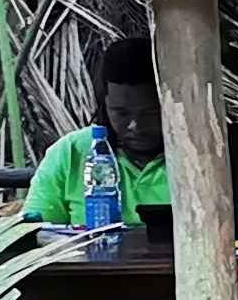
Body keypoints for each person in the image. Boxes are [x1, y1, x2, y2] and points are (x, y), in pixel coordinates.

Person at [23, 36, 170, 225]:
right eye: (121, 113)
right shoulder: (71, 152)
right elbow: (34, 232)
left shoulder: (204, 158)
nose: (135, 125)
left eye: (150, 112)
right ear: (104, 105)